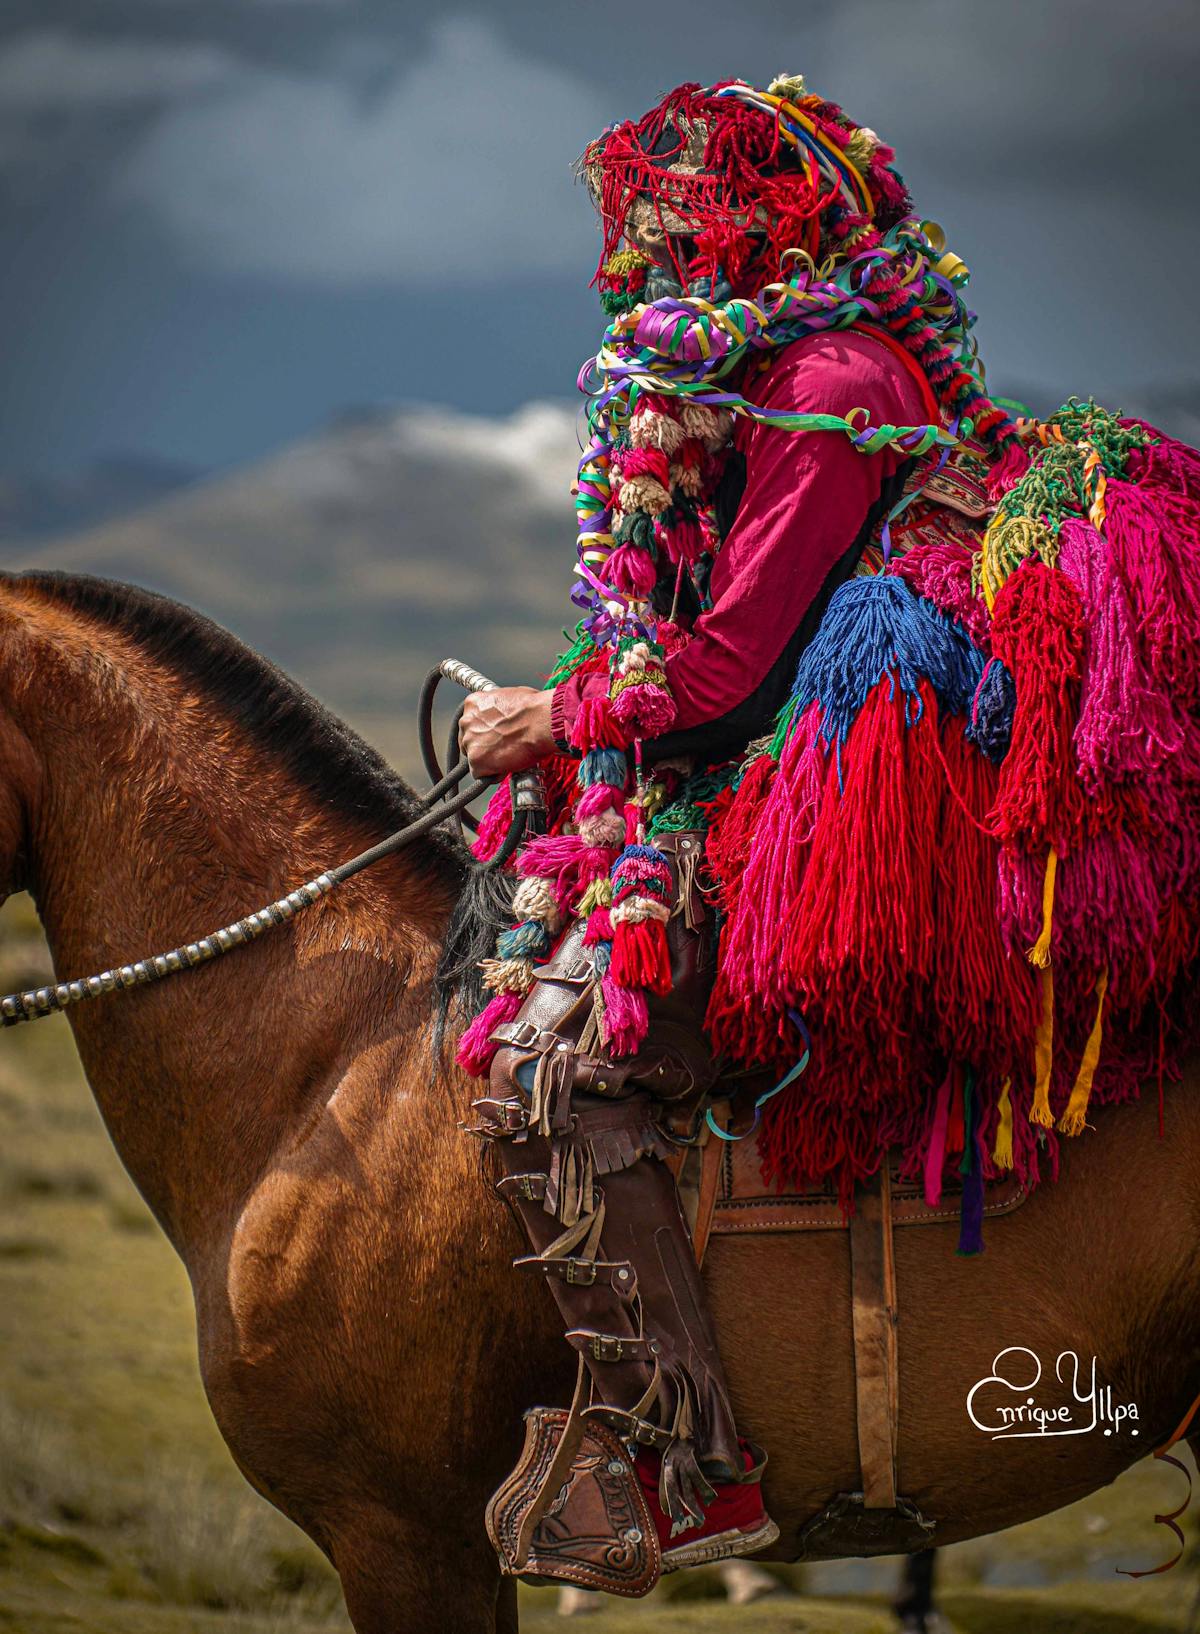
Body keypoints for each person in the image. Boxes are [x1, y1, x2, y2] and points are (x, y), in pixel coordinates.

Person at [456, 76, 1018, 1594]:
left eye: (681, 236)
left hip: (847, 797)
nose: (650, 269)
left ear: (759, 233)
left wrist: (550, 720)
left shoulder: (823, 381)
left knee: (563, 1067)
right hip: (788, 755)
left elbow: (726, 676)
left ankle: (688, 1472)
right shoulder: (792, 365)